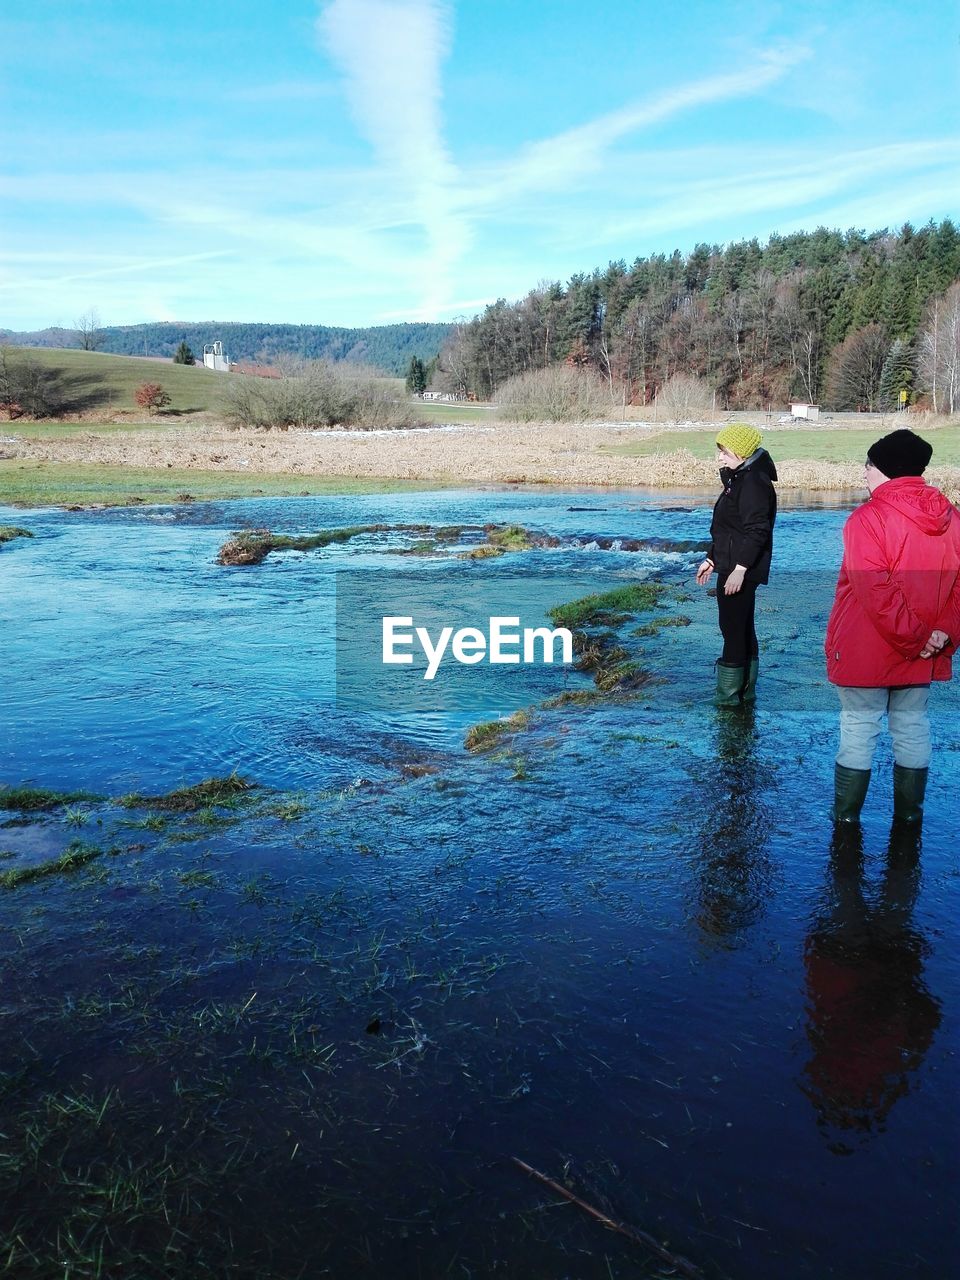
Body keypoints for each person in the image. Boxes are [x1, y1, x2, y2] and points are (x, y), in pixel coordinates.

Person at [826, 428, 960, 825]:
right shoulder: (952, 517)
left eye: (869, 464)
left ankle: (846, 828)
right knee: (913, 729)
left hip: (872, 648)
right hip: (926, 647)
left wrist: (919, 638)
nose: (864, 472)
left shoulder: (867, 518)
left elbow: (875, 592)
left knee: (858, 731)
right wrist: (943, 633)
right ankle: (909, 823)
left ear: (883, 468)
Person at [696, 424, 778, 706]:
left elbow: (757, 530)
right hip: (733, 565)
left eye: (724, 451)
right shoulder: (741, 477)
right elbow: (729, 529)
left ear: (742, 452)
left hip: (740, 569)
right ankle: (744, 694)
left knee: (732, 629)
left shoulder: (753, 481)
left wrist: (740, 570)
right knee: (742, 628)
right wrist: (712, 558)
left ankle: (728, 699)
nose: (720, 457)